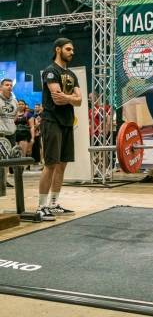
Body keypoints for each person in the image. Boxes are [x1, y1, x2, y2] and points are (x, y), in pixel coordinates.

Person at [37, 37, 82, 221]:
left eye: (72, 49)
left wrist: (67, 97)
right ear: (58, 49)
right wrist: (71, 98)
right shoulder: (51, 71)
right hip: (52, 121)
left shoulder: (72, 75)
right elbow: (57, 99)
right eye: (68, 49)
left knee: (62, 165)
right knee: (50, 164)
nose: (72, 52)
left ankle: (54, 204)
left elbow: (80, 100)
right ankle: (41, 207)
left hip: (67, 122)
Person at [0, 78, 18, 189]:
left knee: (7, 157)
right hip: (0, 133)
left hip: (11, 132)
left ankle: (4, 180)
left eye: (11, 85)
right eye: (7, 85)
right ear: (1, 87)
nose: (9, 87)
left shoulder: (14, 101)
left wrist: (10, 123)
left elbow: (16, 115)